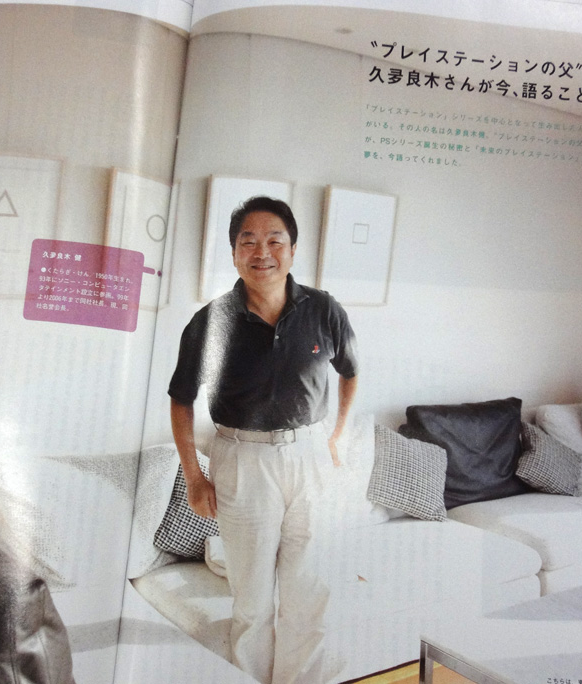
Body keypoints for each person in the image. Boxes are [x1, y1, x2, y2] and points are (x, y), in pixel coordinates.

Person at [168, 196, 358, 684]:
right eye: (248, 241)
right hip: (243, 460)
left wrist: (336, 435)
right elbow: (181, 400)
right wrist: (195, 477)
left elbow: (350, 371)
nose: (262, 252)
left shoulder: (324, 310)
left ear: (293, 249)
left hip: (311, 457)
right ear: (234, 253)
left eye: (275, 240)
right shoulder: (211, 321)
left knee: (310, 593)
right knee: (251, 600)